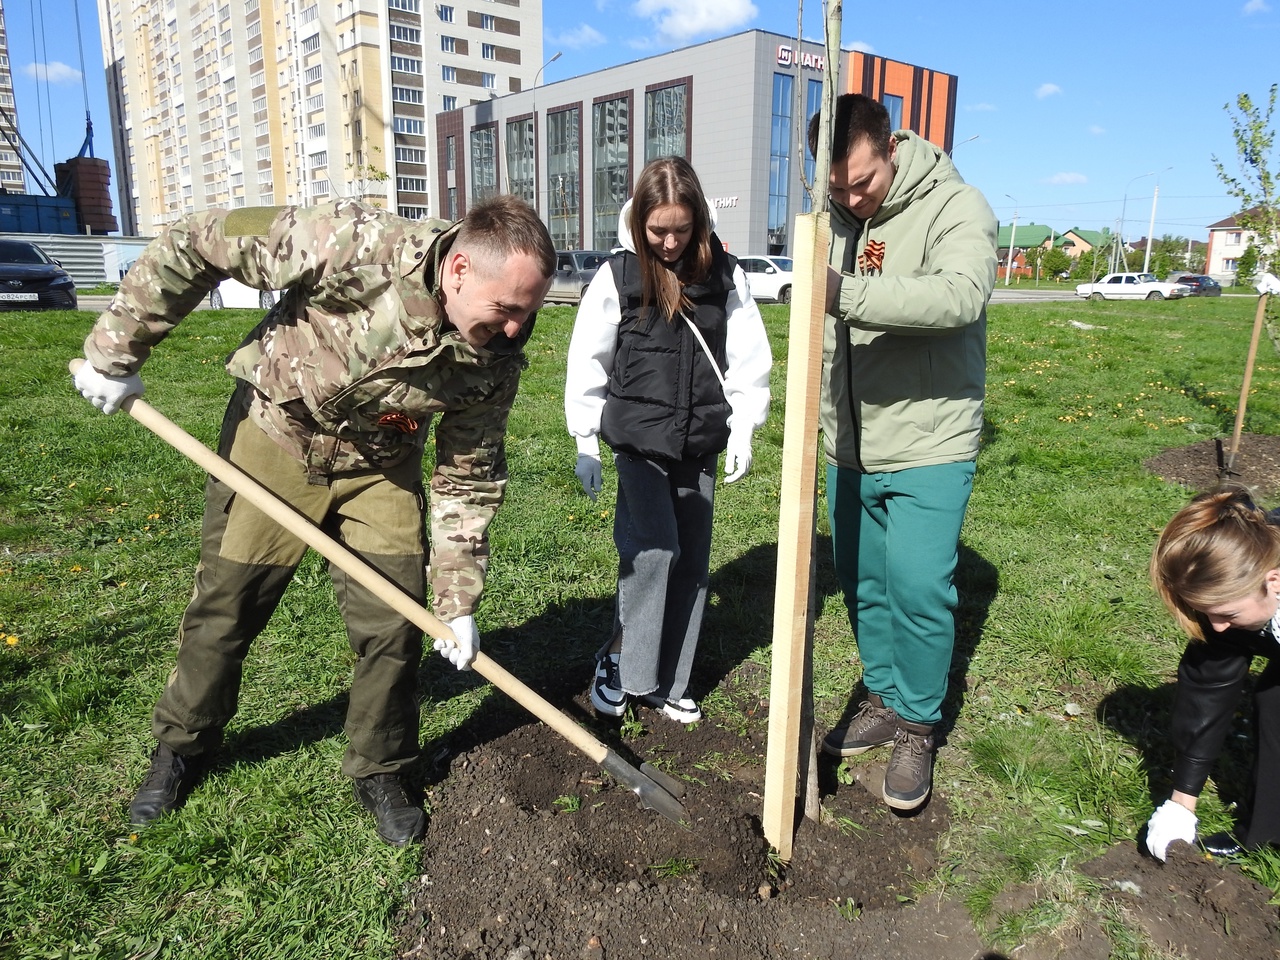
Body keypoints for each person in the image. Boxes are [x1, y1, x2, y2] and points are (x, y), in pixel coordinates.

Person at [73, 195, 555, 846]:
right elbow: (198, 240)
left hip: (378, 468)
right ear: (460, 269)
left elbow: (466, 475)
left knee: (394, 626)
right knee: (226, 608)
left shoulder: (493, 363)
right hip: (277, 436)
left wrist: (458, 598)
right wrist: (116, 351)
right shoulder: (353, 243)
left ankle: (380, 766)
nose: (516, 330)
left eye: (528, 314)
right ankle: (182, 747)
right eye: (508, 310)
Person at [811, 94, 998, 812]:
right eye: (838, 190)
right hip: (849, 443)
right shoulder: (827, 218)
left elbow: (958, 296)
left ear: (891, 148)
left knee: (919, 589)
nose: (854, 199)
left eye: (863, 183)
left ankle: (919, 722)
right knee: (865, 586)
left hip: (928, 441)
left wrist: (844, 293)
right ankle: (886, 693)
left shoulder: (956, 205)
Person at [564, 156, 771, 723]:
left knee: (691, 564)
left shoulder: (724, 274)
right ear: (640, 223)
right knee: (654, 552)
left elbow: (748, 357)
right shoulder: (621, 275)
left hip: (699, 441)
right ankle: (620, 659)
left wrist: (744, 428)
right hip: (639, 443)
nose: (670, 241)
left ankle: (666, 680)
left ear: (699, 220)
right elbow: (588, 356)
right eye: (659, 230)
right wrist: (585, 437)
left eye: (682, 228)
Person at [1145, 485, 1280, 860]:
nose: (1216, 626)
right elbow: (1207, 691)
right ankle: (1266, 833)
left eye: (1228, 614)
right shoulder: (1232, 583)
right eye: (1207, 612)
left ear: (1274, 582)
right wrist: (1181, 803)